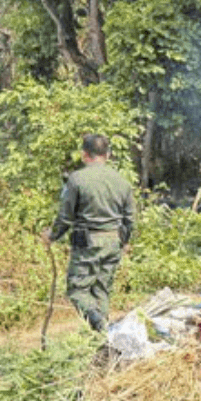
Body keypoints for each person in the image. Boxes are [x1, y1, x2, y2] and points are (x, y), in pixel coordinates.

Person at [39, 133, 135, 333]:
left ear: (84, 154)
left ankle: (98, 324)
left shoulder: (76, 179)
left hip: (88, 242)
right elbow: (129, 219)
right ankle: (102, 339)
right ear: (107, 154)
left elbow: (65, 217)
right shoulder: (122, 181)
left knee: (77, 290)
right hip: (113, 242)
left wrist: (51, 236)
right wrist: (124, 241)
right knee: (101, 289)